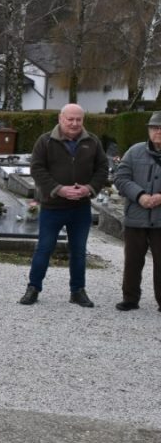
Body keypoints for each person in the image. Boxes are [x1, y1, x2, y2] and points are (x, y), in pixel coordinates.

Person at [20, 103, 108, 307]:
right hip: (53, 207)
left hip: (80, 207)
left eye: (79, 119)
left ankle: (77, 291)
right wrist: (58, 189)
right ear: (60, 118)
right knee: (44, 248)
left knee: (79, 251)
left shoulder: (92, 141)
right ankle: (33, 288)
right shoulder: (45, 141)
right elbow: (37, 169)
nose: (75, 123)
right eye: (70, 119)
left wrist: (89, 188)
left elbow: (102, 168)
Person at [112, 112, 161, 312]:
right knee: (132, 261)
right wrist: (140, 196)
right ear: (149, 130)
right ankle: (130, 299)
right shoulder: (134, 152)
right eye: (154, 128)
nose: (158, 132)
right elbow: (120, 178)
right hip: (136, 216)